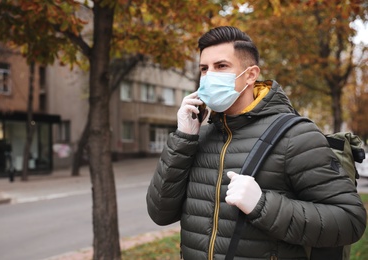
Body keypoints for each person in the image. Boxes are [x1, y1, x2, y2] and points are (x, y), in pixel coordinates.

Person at [146, 26, 367, 260]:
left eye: (221, 66)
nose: (209, 76)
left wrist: (262, 205)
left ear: (251, 75)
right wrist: (184, 138)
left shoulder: (296, 135)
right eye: (204, 69)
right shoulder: (199, 135)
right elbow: (160, 213)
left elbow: (349, 220)